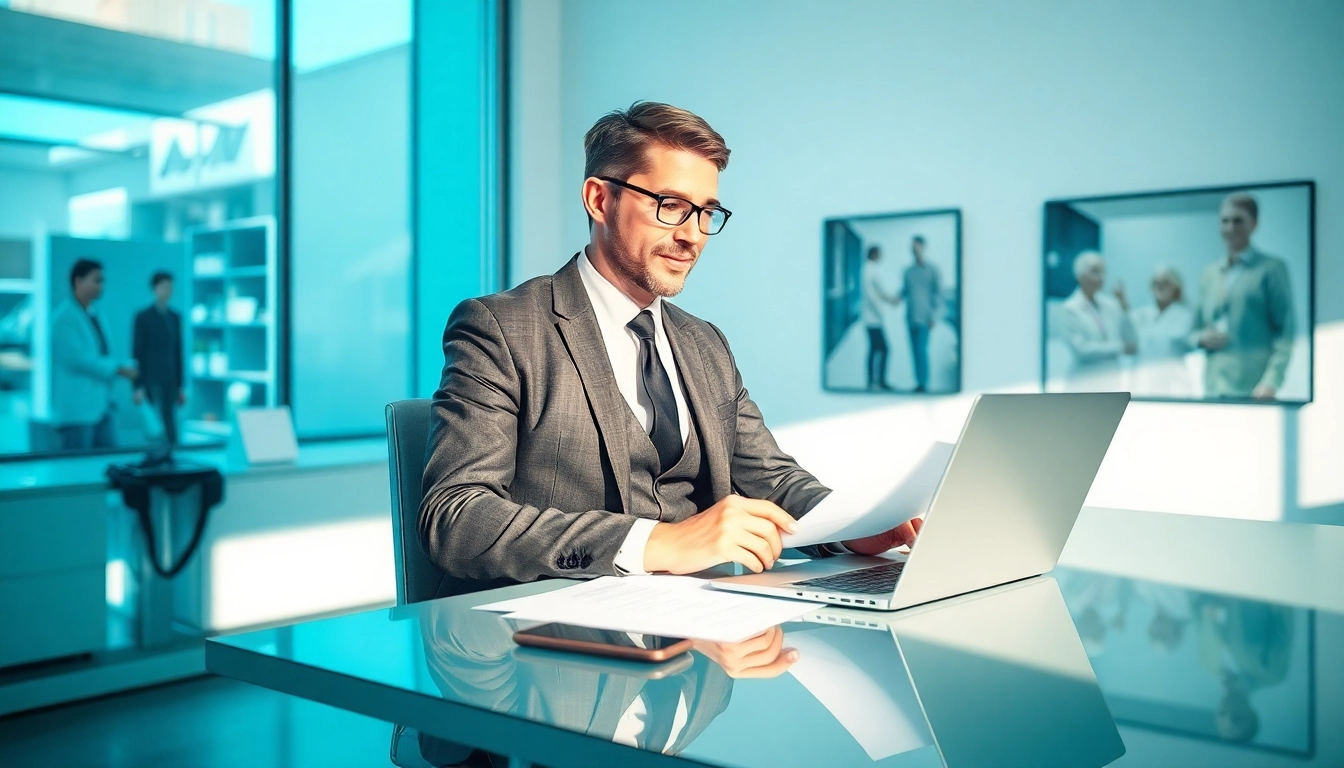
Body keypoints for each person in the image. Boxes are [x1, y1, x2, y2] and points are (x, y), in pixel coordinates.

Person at [419, 102, 921, 601]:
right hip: (551, 641)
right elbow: (456, 516)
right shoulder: (503, 327)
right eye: (671, 205)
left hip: (699, 635)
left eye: (706, 213)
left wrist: (849, 527)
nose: (691, 236)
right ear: (599, 199)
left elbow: (770, 476)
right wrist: (654, 543)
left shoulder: (705, 343)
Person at [1189, 193, 1294, 400]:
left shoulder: (1271, 269)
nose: (1230, 228)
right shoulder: (1209, 274)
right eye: (1224, 221)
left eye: (1238, 220)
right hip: (1213, 386)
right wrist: (1201, 338)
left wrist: (1271, 381)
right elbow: (1194, 330)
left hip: (1253, 389)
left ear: (1253, 224)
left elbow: (1286, 331)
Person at [50, 259, 137, 450]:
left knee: (107, 461)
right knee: (76, 470)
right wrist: (118, 369)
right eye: (97, 280)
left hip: (102, 407)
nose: (101, 286)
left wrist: (122, 366)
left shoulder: (95, 315)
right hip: (77, 412)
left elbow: (102, 353)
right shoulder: (64, 318)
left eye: (102, 281)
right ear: (78, 281)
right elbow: (78, 359)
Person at [1056, 251, 1136, 392]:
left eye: (1103, 272)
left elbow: (1131, 341)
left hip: (1112, 382)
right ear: (1079, 275)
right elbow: (1082, 350)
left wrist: (1124, 306)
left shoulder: (1111, 305)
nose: (1101, 277)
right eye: (1095, 271)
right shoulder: (1070, 308)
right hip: (1084, 385)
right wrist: (1119, 347)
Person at [132, 271, 185, 445]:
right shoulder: (143, 317)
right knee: (154, 424)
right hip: (151, 379)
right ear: (155, 289)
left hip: (170, 379)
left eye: (170, 287)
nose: (168, 291)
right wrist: (137, 385)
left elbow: (178, 352)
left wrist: (180, 386)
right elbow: (137, 352)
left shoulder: (175, 318)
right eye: (164, 287)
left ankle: (172, 458)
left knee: (171, 422)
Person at [1128, 265, 1195, 397]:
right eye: (1156, 283)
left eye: (1166, 283)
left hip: (1174, 384)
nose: (1160, 287)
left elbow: (1178, 339)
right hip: (1144, 383)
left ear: (1175, 287)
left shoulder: (1185, 315)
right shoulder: (1141, 314)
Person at [901, 235, 942, 392]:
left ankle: (924, 383)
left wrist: (934, 316)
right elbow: (905, 291)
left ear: (923, 247)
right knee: (914, 353)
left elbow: (938, 294)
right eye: (912, 247)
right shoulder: (908, 272)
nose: (914, 250)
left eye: (917, 246)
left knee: (921, 351)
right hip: (910, 318)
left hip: (925, 318)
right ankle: (919, 383)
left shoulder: (932, 270)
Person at [860, 245, 901, 390]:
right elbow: (871, 295)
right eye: (880, 253)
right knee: (884, 349)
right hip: (872, 318)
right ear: (874, 254)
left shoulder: (872, 269)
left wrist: (891, 300)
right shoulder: (868, 270)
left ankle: (872, 381)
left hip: (873, 318)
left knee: (874, 348)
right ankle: (879, 381)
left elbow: (880, 292)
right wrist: (880, 311)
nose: (881, 257)